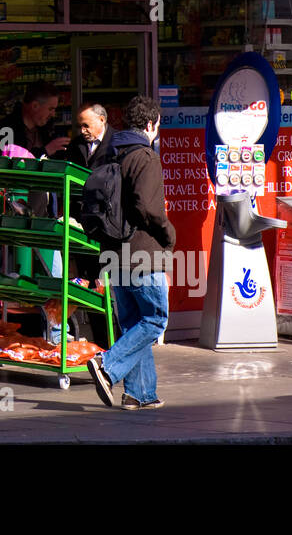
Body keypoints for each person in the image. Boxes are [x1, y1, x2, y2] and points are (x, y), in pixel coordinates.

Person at [85, 95, 176, 411]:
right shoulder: (145, 157)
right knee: (154, 320)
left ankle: (139, 394)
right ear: (152, 124)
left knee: (134, 322)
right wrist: (168, 233)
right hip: (142, 253)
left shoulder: (109, 154)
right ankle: (107, 366)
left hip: (113, 252)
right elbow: (146, 208)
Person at [0, 81, 70, 158]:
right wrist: (46, 151)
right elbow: (6, 161)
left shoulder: (46, 128)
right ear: (34, 106)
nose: (53, 114)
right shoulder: (7, 128)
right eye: (50, 109)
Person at [71, 103, 115, 169]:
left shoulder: (118, 142)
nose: (82, 131)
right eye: (79, 126)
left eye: (86, 125)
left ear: (102, 120)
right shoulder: (75, 144)